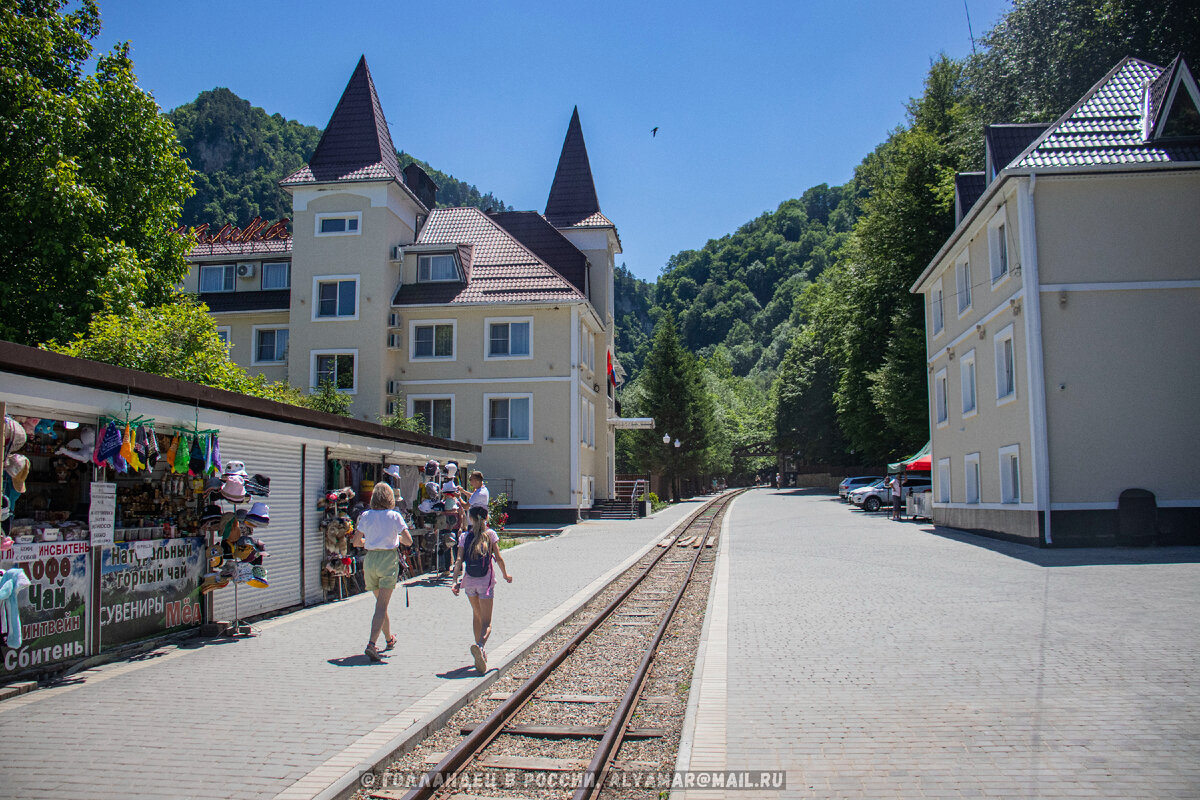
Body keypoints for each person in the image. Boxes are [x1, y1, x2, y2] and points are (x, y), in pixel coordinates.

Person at [353, 483, 413, 662]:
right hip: (388, 560)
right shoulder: (394, 516)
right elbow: (408, 541)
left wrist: (371, 541)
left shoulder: (365, 516)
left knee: (381, 603)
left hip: (370, 560)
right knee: (381, 606)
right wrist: (395, 538)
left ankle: (389, 639)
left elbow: (356, 542)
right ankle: (371, 644)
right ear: (390, 499)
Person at [451, 505, 513, 674]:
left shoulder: (464, 536)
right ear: (486, 519)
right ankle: (480, 646)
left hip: (469, 582)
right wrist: (506, 575)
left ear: (470, 518)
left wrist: (455, 581)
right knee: (487, 622)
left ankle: (480, 651)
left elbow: (458, 560)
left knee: (476, 615)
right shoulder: (491, 535)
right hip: (485, 583)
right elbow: (498, 558)